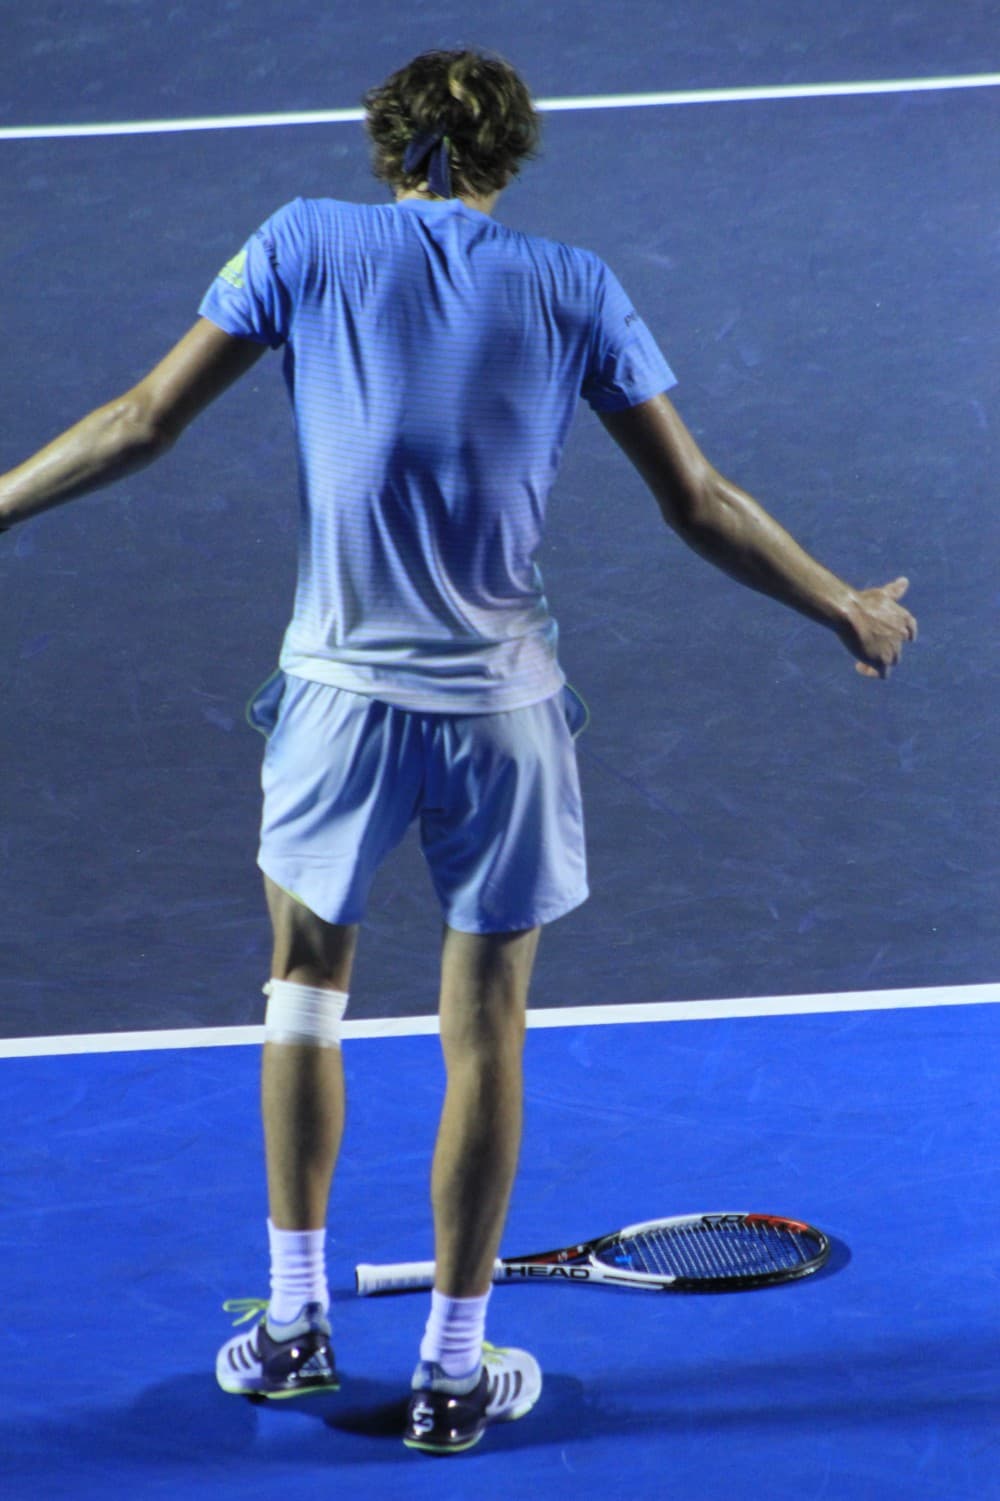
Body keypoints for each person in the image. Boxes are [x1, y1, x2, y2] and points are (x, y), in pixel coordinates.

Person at [0, 47, 916, 1455]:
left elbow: (142, 420)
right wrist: (844, 603)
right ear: (511, 156)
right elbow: (701, 498)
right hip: (505, 718)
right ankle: (450, 1369)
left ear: (388, 146)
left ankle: (296, 1323)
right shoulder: (577, 285)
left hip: (333, 709)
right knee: (484, 1032)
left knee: (303, 989)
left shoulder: (301, 244)